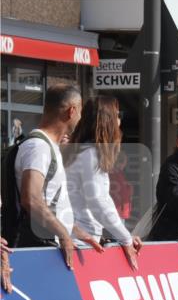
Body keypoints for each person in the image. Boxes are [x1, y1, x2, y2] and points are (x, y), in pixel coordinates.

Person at [10, 84, 103, 267]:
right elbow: (31, 199)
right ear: (71, 111)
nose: (80, 118)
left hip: (48, 246)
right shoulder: (38, 147)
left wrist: (74, 230)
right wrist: (64, 234)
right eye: (80, 112)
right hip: (40, 249)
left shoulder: (49, 146)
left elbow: (51, 202)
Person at [64, 95, 142, 269]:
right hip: (81, 242)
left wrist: (124, 235)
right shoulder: (91, 154)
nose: (120, 120)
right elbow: (98, 201)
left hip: (79, 237)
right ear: (108, 120)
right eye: (117, 114)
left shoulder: (79, 151)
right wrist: (125, 238)